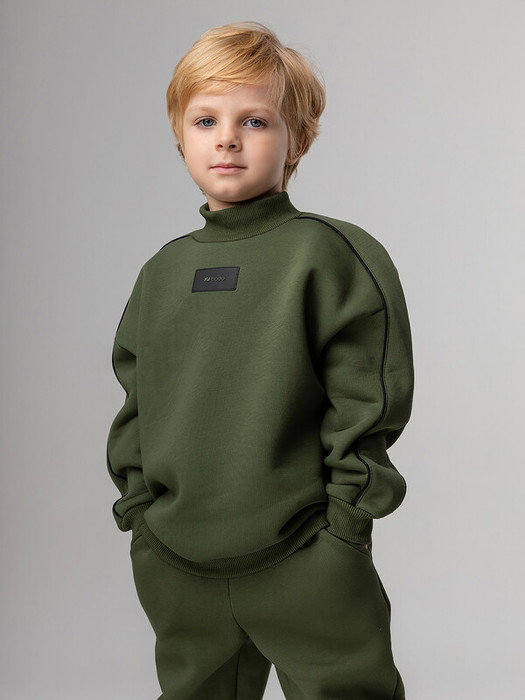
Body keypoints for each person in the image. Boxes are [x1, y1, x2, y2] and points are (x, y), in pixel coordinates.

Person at [106, 20, 414, 700]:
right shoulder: (161, 272)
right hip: (176, 562)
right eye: (205, 120)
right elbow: (136, 401)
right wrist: (140, 518)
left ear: (297, 139)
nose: (226, 138)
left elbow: (368, 396)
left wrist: (345, 524)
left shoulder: (330, 254)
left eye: (254, 120)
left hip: (305, 556)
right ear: (179, 136)